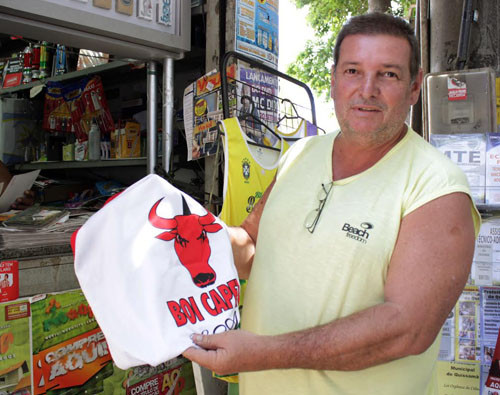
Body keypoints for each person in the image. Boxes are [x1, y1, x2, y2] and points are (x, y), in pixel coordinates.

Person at [183, 12, 480, 394]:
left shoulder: (437, 186)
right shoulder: (300, 154)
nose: (367, 89)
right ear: (334, 79)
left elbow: (406, 329)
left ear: (413, 87)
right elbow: (252, 246)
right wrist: (193, 235)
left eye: (388, 74)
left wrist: (264, 353)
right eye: (353, 71)